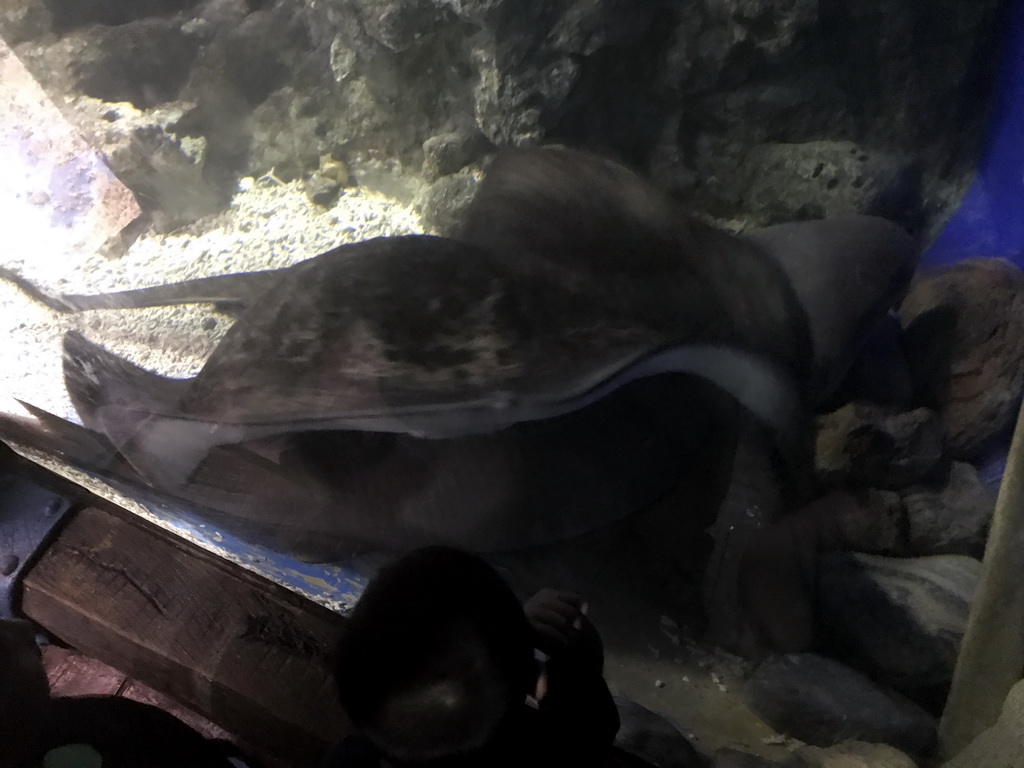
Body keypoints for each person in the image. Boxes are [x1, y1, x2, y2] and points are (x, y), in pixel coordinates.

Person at [320, 546, 620, 767]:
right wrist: (579, 662)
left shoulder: (347, 761)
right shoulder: (547, 753)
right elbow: (590, 725)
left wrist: (502, 649)